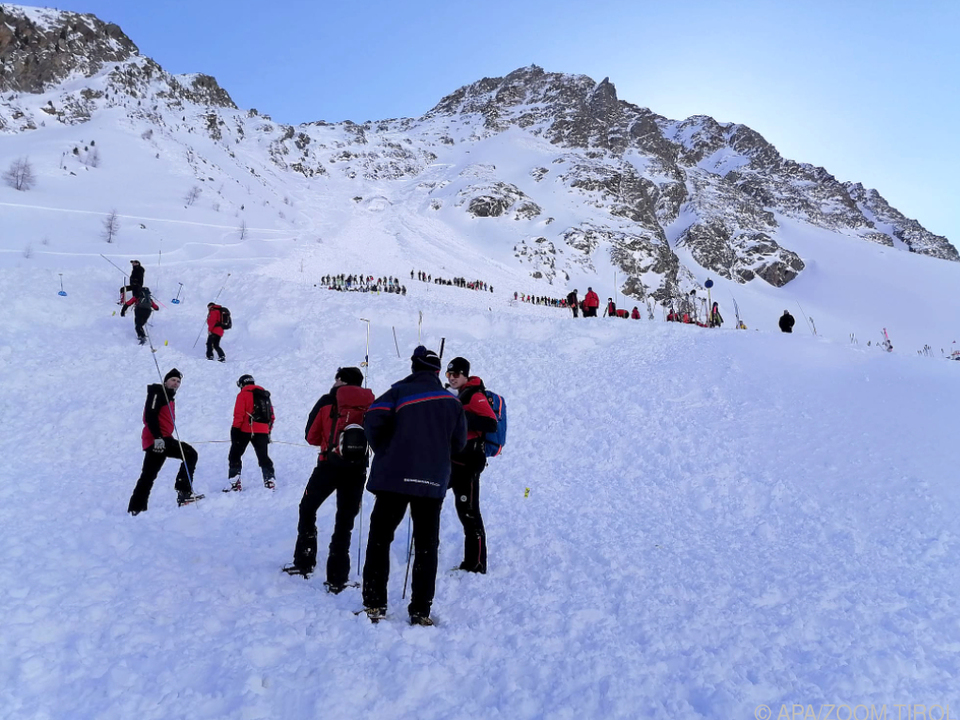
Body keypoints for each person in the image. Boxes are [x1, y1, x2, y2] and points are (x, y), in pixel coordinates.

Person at [361, 346, 466, 626]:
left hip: (393, 478)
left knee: (380, 539)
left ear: (413, 367)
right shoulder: (453, 403)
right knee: (427, 545)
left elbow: (372, 418)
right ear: (436, 370)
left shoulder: (398, 393)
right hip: (431, 481)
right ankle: (420, 610)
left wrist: (384, 448)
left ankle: (374, 604)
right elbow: (459, 444)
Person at [285, 367, 375, 593]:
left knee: (307, 508)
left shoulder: (328, 400)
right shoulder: (370, 403)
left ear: (340, 380)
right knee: (344, 522)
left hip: (328, 465)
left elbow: (311, 436)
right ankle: (337, 578)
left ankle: (304, 561)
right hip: (357, 470)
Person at [445, 357, 497, 574]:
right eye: (449, 374)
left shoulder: (475, 395)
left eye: (456, 374)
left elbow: (491, 423)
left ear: (465, 374)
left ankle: (476, 564)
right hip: (455, 460)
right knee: (456, 506)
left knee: (469, 512)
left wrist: (462, 415)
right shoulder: (458, 395)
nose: (452, 377)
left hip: (469, 463)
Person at [128, 368, 201, 515]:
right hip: (158, 439)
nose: (176, 383)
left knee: (148, 476)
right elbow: (150, 417)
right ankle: (184, 492)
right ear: (166, 381)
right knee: (190, 454)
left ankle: (136, 509)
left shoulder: (168, 397)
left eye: (178, 381)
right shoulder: (158, 393)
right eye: (173, 380)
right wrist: (159, 439)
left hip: (159, 439)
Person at [225, 375, 276, 492]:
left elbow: (239, 414)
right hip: (263, 430)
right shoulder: (264, 395)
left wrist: (235, 429)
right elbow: (271, 416)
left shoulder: (243, 394)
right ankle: (270, 480)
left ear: (241, 384)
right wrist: (268, 431)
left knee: (235, 455)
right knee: (263, 456)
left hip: (245, 429)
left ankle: (235, 483)